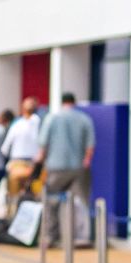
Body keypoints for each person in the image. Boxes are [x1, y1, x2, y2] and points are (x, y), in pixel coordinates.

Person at [34, 93, 92, 247]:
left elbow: (43, 144)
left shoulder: (52, 118)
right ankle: (81, 237)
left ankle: (51, 236)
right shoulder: (84, 119)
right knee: (81, 203)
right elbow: (90, 145)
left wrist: (38, 162)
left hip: (56, 167)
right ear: (74, 102)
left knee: (51, 202)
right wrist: (86, 161)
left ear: (61, 102)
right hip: (78, 168)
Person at [1, 98, 42, 206]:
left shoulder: (16, 125)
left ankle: (12, 212)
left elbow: (4, 149)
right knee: (37, 197)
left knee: (13, 197)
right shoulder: (39, 124)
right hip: (34, 166)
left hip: (17, 165)